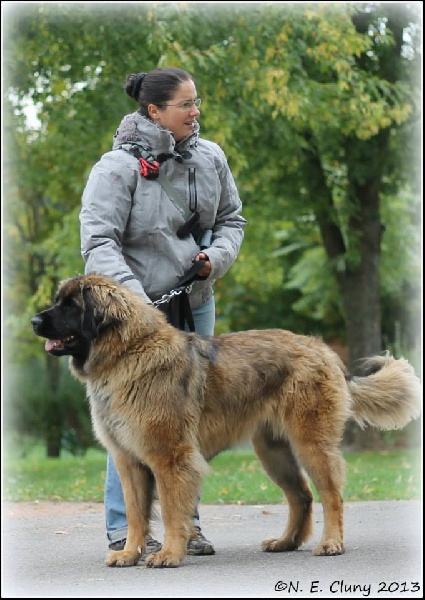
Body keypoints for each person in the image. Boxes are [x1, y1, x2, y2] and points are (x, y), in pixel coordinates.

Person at [79, 67, 247, 557]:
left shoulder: (211, 157)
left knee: (187, 422)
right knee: (127, 420)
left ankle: (185, 525)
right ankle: (124, 529)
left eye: (197, 102)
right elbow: (99, 242)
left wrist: (214, 258)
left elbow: (232, 219)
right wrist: (133, 303)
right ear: (154, 110)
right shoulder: (115, 168)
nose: (195, 112)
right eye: (185, 104)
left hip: (194, 304)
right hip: (133, 317)